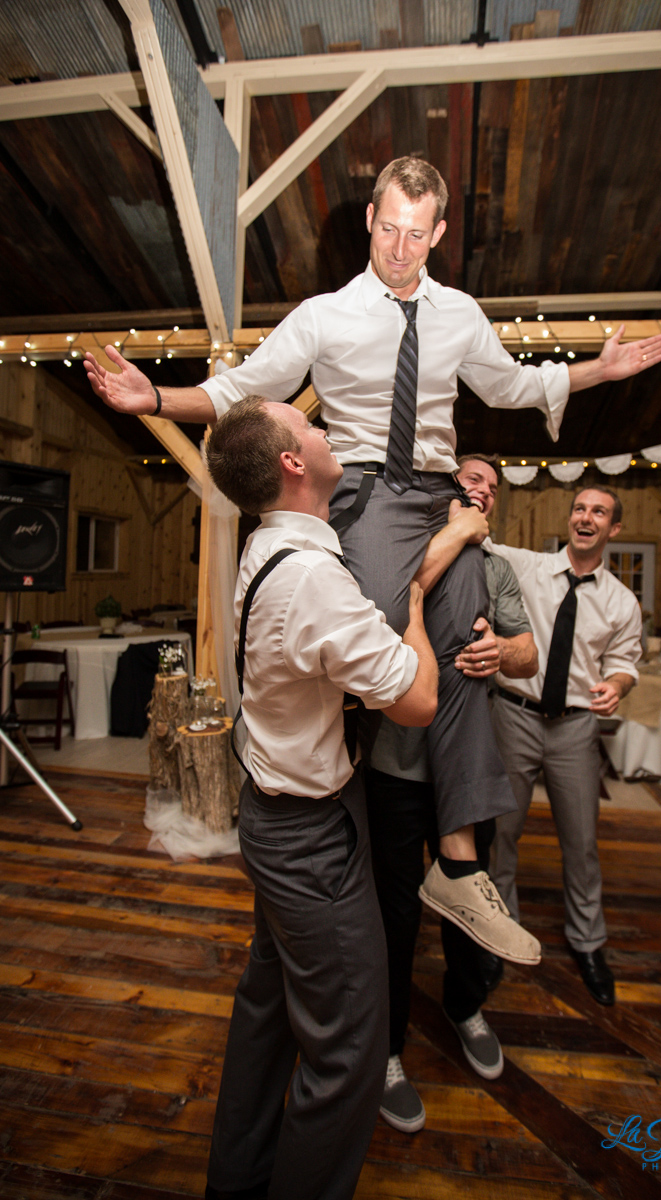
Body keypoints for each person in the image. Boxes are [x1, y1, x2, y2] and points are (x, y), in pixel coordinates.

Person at [83, 157, 661, 958]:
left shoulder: (459, 314)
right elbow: (241, 389)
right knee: (380, 649)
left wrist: (599, 368)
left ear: (439, 233)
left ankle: (457, 864)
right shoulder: (324, 316)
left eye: (416, 234)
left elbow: (510, 387)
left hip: (438, 489)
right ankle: (343, 816)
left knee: (466, 644)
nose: (399, 247)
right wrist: (152, 398)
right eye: (389, 228)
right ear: (370, 219)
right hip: (367, 491)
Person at [201, 394, 439, 1200]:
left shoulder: (271, 544)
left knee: (269, 1014)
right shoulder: (309, 576)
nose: (326, 430)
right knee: (348, 1051)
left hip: (275, 817)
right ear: (293, 463)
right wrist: (413, 615)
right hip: (307, 839)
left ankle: (237, 1183)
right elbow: (417, 700)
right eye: (309, 427)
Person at [368, 454, 538, 1132]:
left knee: (472, 900)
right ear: (444, 484)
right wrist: (457, 533)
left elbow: (529, 652)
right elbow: (393, 603)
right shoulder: (398, 549)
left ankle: (466, 1008)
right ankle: (386, 1049)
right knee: (394, 914)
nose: (482, 491)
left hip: (467, 768)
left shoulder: (496, 570)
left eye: (492, 488)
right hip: (394, 767)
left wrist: (501, 651)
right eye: (472, 479)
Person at [486, 486, 642, 1006]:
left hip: (575, 728)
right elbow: (479, 541)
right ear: (570, 519)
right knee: (501, 833)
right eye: (579, 508)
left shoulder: (621, 601)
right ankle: (499, 930)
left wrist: (617, 684)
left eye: (598, 512)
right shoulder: (527, 567)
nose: (585, 517)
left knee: (581, 841)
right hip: (514, 715)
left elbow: (625, 661)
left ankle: (588, 942)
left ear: (613, 529)